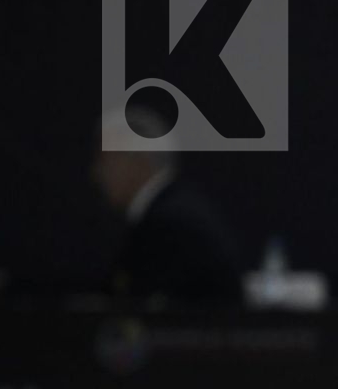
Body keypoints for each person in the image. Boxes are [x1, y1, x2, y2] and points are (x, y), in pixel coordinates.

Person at [91, 111, 242, 304]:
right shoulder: (175, 212)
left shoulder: (168, 225)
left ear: (136, 161)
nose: (96, 173)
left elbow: (143, 309)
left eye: (104, 160)